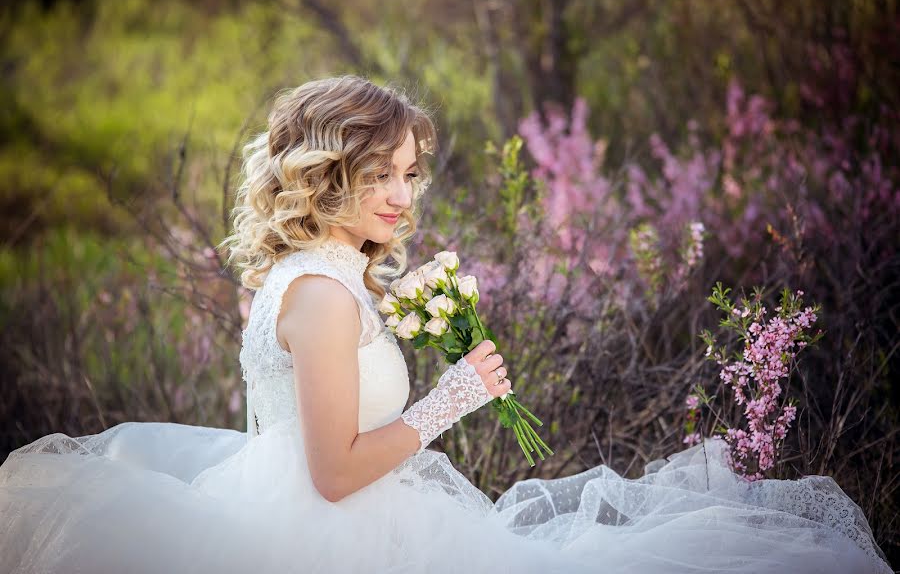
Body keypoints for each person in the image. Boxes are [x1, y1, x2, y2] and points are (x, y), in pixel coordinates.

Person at [0, 75, 891, 574]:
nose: (401, 195)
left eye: (411, 173)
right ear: (324, 174)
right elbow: (335, 473)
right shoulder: (320, 295)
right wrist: (452, 398)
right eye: (380, 174)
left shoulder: (330, 276)